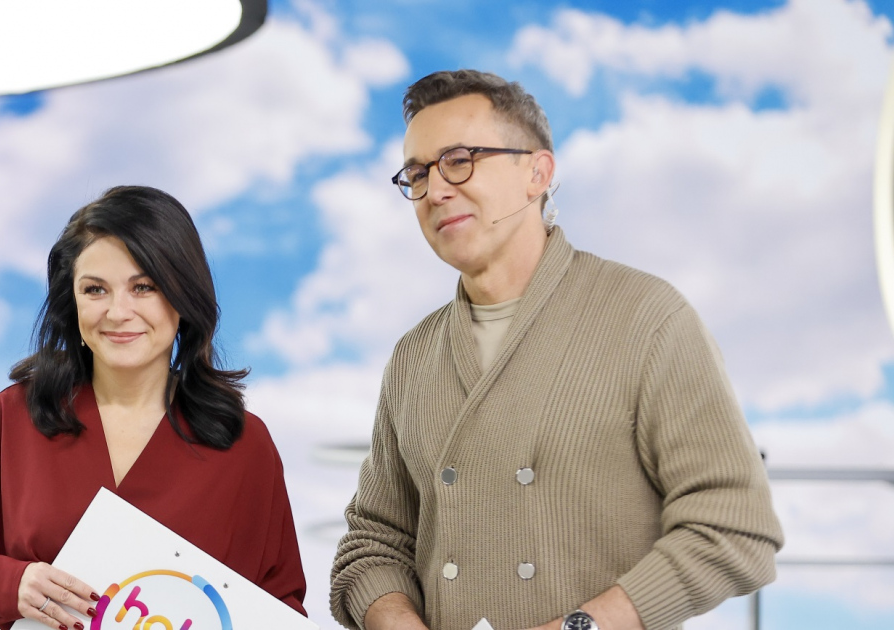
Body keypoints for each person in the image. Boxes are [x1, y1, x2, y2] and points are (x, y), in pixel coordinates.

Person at [329, 70, 783, 630]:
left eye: (459, 161)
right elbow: (373, 542)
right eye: (418, 174)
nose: (436, 190)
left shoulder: (647, 318)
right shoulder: (413, 357)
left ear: (537, 173)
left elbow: (733, 528)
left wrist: (578, 628)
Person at [0, 186, 307, 630]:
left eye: (144, 287)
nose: (118, 312)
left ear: (182, 297)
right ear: (71, 302)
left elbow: (282, 607)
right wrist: (8, 582)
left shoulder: (243, 442)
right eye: (95, 290)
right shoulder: (18, 415)